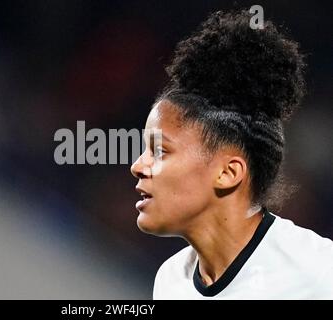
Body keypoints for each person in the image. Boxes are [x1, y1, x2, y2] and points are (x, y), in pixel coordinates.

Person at [130, 9, 333, 299]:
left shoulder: (320, 273)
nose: (138, 166)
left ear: (228, 173)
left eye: (160, 151)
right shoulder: (171, 281)